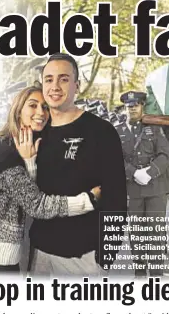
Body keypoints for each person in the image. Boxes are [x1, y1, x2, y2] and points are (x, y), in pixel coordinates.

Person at [0, 84, 99, 274]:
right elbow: (36, 205)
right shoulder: (4, 150)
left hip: (7, 254)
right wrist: (89, 199)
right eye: (33, 105)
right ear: (18, 111)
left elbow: (26, 195)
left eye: (45, 107)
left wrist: (30, 161)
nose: (40, 112)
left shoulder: (29, 148)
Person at [28, 53, 127, 276]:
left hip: (83, 258)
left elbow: (116, 200)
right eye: (49, 79)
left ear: (77, 86)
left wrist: (105, 258)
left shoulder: (101, 132)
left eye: (63, 79)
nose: (55, 86)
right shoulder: (36, 132)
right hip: (38, 255)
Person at [115, 91, 169, 277]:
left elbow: (165, 155)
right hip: (132, 189)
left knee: (155, 232)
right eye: (129, 106)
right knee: (137, 233)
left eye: (136, 105)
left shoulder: (155, 128)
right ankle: (139, 271)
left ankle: (156, 273)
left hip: (155, 187)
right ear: (125, 108)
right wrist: (134, 173)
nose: (132, 109)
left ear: (142, 107)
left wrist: (150, 172)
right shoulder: (117, 130)